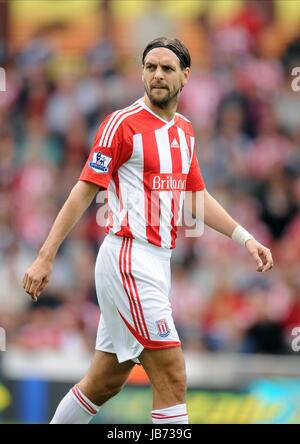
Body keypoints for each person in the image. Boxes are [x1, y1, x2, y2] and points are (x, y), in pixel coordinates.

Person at [23, 37, 274, 424]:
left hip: (157, 263)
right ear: (142, 72)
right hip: (129, 257)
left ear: (185, 76)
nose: (157, 74)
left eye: (167, 68)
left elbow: (195, 197)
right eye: (150, 66)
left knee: (104, 381)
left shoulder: (185, 131)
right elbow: (83, 190)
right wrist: (45, 255)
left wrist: (246, 238)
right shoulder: (122, 124)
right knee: (172, 373)